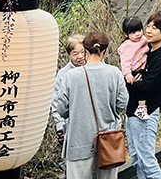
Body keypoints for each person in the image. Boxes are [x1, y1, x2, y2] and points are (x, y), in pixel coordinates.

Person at [52, 32, 128, 179]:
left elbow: (61, 108)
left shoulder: (70, 76)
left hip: (78, 141)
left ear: (85, 50)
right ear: (105, 51)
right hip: (108, 140)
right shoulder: (115, 73)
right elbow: (122, 103)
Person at [125, 11, 161, 179]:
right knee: (136, 159)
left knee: (146, 158)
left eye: (155, 28)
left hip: (147, 112)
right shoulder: (146, 49)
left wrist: (126, 82)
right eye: (148, 25)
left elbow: (146, 86)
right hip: (132, 110)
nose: (148, 30)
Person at [52, 35, 86, 139]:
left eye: (83, 52)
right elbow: (56, 102)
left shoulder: (94, 68)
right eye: (75, 54)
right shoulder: (63, 74)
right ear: (69, 55)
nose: (80, 56)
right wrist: (60, 126)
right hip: (71, 125)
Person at [117, 17, 150, 119]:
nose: (138, 34)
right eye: (133, 32)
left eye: (139, 30)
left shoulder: (144, 39)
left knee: (145, 88)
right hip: (134, 71)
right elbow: (125, 63)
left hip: (143, 67)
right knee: (141, 89)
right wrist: (128, 75)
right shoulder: (127, 46)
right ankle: (141, 109)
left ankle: (142, 108)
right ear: (126, 34)